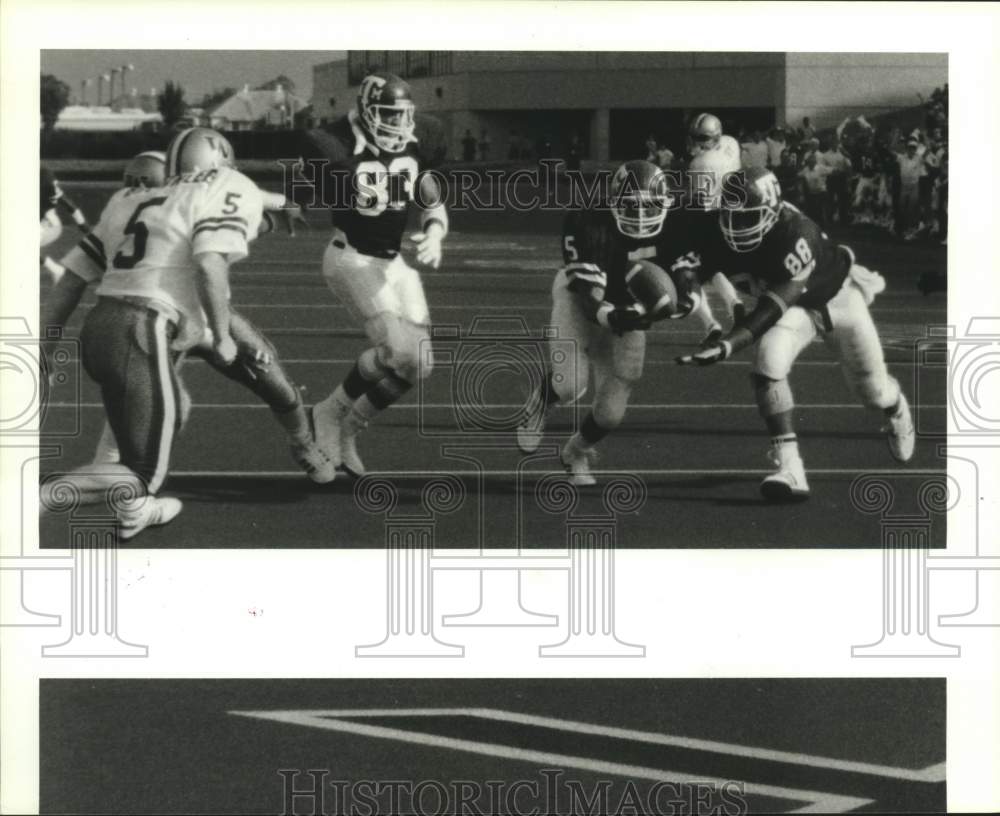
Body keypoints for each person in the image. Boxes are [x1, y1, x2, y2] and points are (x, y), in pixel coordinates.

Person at [38, 129, 271, 537]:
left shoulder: (129, 200)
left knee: (168, 412)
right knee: (142, 471)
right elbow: (209, 264)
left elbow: (72, 281)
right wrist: (223, 336)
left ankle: (134, 511)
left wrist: (45, 344)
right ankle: (36, 496)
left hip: (100, 327)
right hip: (141, 328)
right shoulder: (209, 195)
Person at [84, 150, 334, 484]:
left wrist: (280, 208)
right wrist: (277, 212)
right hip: (162, 317)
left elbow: (252, 207)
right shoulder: (157, 207)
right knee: (149, 404)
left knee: (272, 378)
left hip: (206, 314)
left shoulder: (179, 200)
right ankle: (118, 473)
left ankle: (303, 443)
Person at [677, 167, 915, 501]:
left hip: (838, 297)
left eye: (749, 217)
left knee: (874, 393)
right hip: (796, 310)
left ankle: (896, 408)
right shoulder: (715, 227)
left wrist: (727, 345)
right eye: (732, 216)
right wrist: (685, 286)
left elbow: (772, 306)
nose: (737, 226)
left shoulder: (795, 232)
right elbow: (696, 266)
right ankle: (791, 467)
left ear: (773, 212)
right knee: (768, 361)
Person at [294, 72, 449, 477]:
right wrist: (299, 200)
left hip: (393, 263)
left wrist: (435, 233)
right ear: (364, 112)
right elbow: (306, 189)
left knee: (420, 364)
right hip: (352, 258)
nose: (397, 125)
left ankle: (348, 429)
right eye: (387, 115)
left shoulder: (418, 142)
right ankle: (328, 414)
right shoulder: (335, 145)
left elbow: (432, 196)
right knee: (398, 349)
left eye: (402, 116)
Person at [516, 160, 701, 485]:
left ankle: (576, 452)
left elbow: (687, 285)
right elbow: (590, 299)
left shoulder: (679, 226)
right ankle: (541, 400)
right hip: (581, 297)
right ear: (615, 201)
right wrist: (613, 314)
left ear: (666, 204)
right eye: (631, 205)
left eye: (650, 206)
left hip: (630, 307)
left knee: (612, 411)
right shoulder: (589, 221)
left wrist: (679, 304)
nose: (642, 215)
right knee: (571, 382)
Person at [40, 165, 91, 284]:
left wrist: (86, 230)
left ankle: (56, 270)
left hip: (48, 225)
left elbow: (71, 207)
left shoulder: (45, 188)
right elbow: (72, 208)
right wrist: (85, 228)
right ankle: (56, 270)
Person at [897, 139, 926, 240]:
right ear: (907, 149)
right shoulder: (901, 158)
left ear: (915, 150)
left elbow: (927, 152)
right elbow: (891, 153)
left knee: (911, 208)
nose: (911, 150)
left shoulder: (919, 159)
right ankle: (903, 230)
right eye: (910, 148)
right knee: (902, 207)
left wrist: (925, 140)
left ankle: (910, 231)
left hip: (914, 186)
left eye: (913, 148)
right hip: (904, 186)